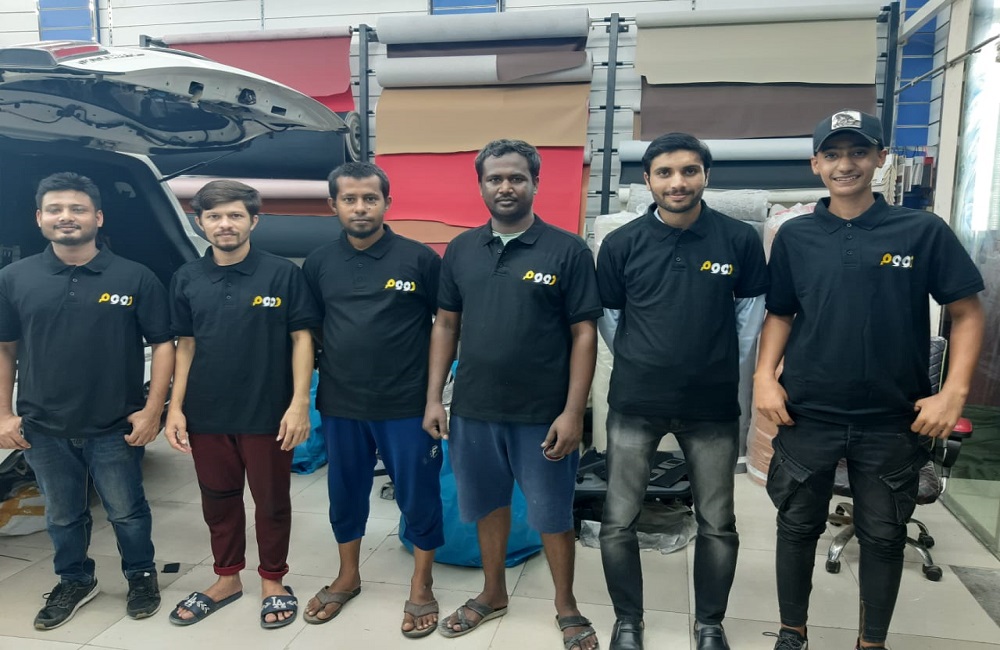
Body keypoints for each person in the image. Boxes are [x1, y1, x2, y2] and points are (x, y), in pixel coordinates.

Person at [754, 109, 985, 650]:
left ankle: (871, 642)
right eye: (833, 154)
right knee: (796, 528)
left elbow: (968, 312)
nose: (846, 164)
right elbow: (781, 313)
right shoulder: (795, 236)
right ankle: (792, 632)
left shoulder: (922, 230)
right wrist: (765, 375)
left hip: (892, 417)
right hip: (808, 412)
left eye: (858, 152)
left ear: (880, 158)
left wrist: (952, 393)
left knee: (883, 537)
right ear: (815, 164)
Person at [424, 139, 602, 650]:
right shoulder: (461, 250)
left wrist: (573, 412)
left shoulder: (567, 250)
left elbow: (584, 334)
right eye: (495, 178)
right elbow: (446, 325)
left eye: (517, 178)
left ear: (535, 184)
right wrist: (434, 398)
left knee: (551, 513)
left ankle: (566, 606)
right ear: (481, 185)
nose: (506, 187)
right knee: (487, 505)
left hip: (543, 414)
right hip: (475, 409)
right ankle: (493, 592)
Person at [596, 133, 769, 650]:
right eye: (665, 172)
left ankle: (709, 624)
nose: (678, 182)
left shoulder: (738, 240)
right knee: (617, 520)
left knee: (718, 522)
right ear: (647, 180)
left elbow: (750, 318)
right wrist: (646, 360)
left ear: (706, 176)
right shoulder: (621, 243)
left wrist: (716, 368)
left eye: (689, 171)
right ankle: (628, 622)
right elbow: (611, 319)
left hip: (712, 406)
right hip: (635, 402)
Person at [0, 172, 172, 630]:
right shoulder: (14, 279)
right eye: (55, 209)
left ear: (97, 217)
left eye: (77, 209)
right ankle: (75, 580)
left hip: (115, 425)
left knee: (127, 512)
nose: (66, 217)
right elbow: (5, 348)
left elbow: (165, 343)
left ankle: (141, 576)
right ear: (39, 218)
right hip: (43, 426)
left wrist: (153, 410)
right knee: (62, 515)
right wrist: (3, 414)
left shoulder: (135, 276)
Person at [164, 180, 319, 629]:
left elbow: (302, 339)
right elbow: (185, 345)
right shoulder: (187, 278)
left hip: (267, 412)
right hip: (207, 413)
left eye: (234, 215)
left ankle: (273, 580)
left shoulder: (282, 274)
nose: (224, 224)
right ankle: (227, 578)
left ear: (254, 220)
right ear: (200, 223)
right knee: (218, 501)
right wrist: (176, 408)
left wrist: (299, 404)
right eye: (214, 216)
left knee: (271, 501)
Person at [301, 162, 444, 638]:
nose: (360, 207)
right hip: (341, 404)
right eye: (349, 199)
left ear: (387, 202)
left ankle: (422, 583)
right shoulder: (319, 263)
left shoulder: (419, 259)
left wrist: (435, 396)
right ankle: (348, 575)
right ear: (333, 205)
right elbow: (313, 328)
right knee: (344, 493)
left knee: (418, 494)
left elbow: (446, 326)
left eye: (370, 198)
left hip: (407, 404)